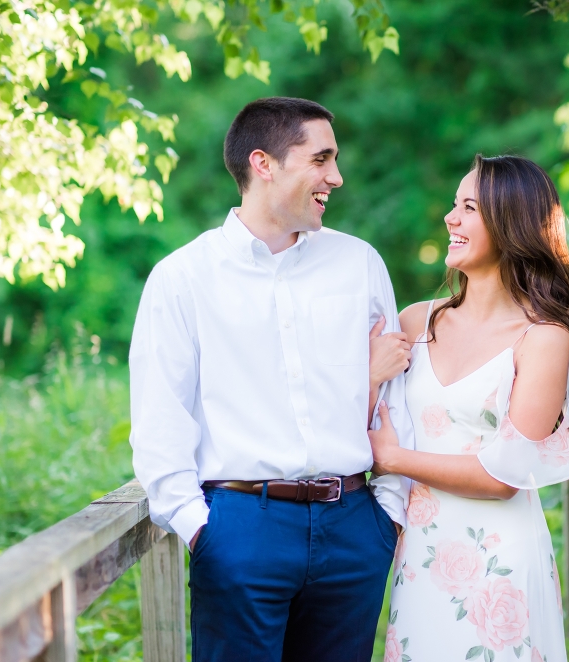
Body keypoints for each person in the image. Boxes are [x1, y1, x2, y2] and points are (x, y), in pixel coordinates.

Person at [129, 96, 415, 662]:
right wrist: (200, 530)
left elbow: (396, 396)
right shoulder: (183, 278)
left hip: (354, 526)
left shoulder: (359, 263)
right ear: (264, 164)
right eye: (320, 159)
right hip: (240, 528)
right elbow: (162, 416)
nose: (336, 176)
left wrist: (388, 514)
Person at [368, 154, 569, 662]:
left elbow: (503, 477)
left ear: (510, 224)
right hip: (421, 552)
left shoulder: (543, 338)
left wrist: (394, 459)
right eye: (454, 204)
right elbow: (358, 412)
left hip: (501, 559)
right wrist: (368, 375)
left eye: (468, 207)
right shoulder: (413, 322)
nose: (451, 218)